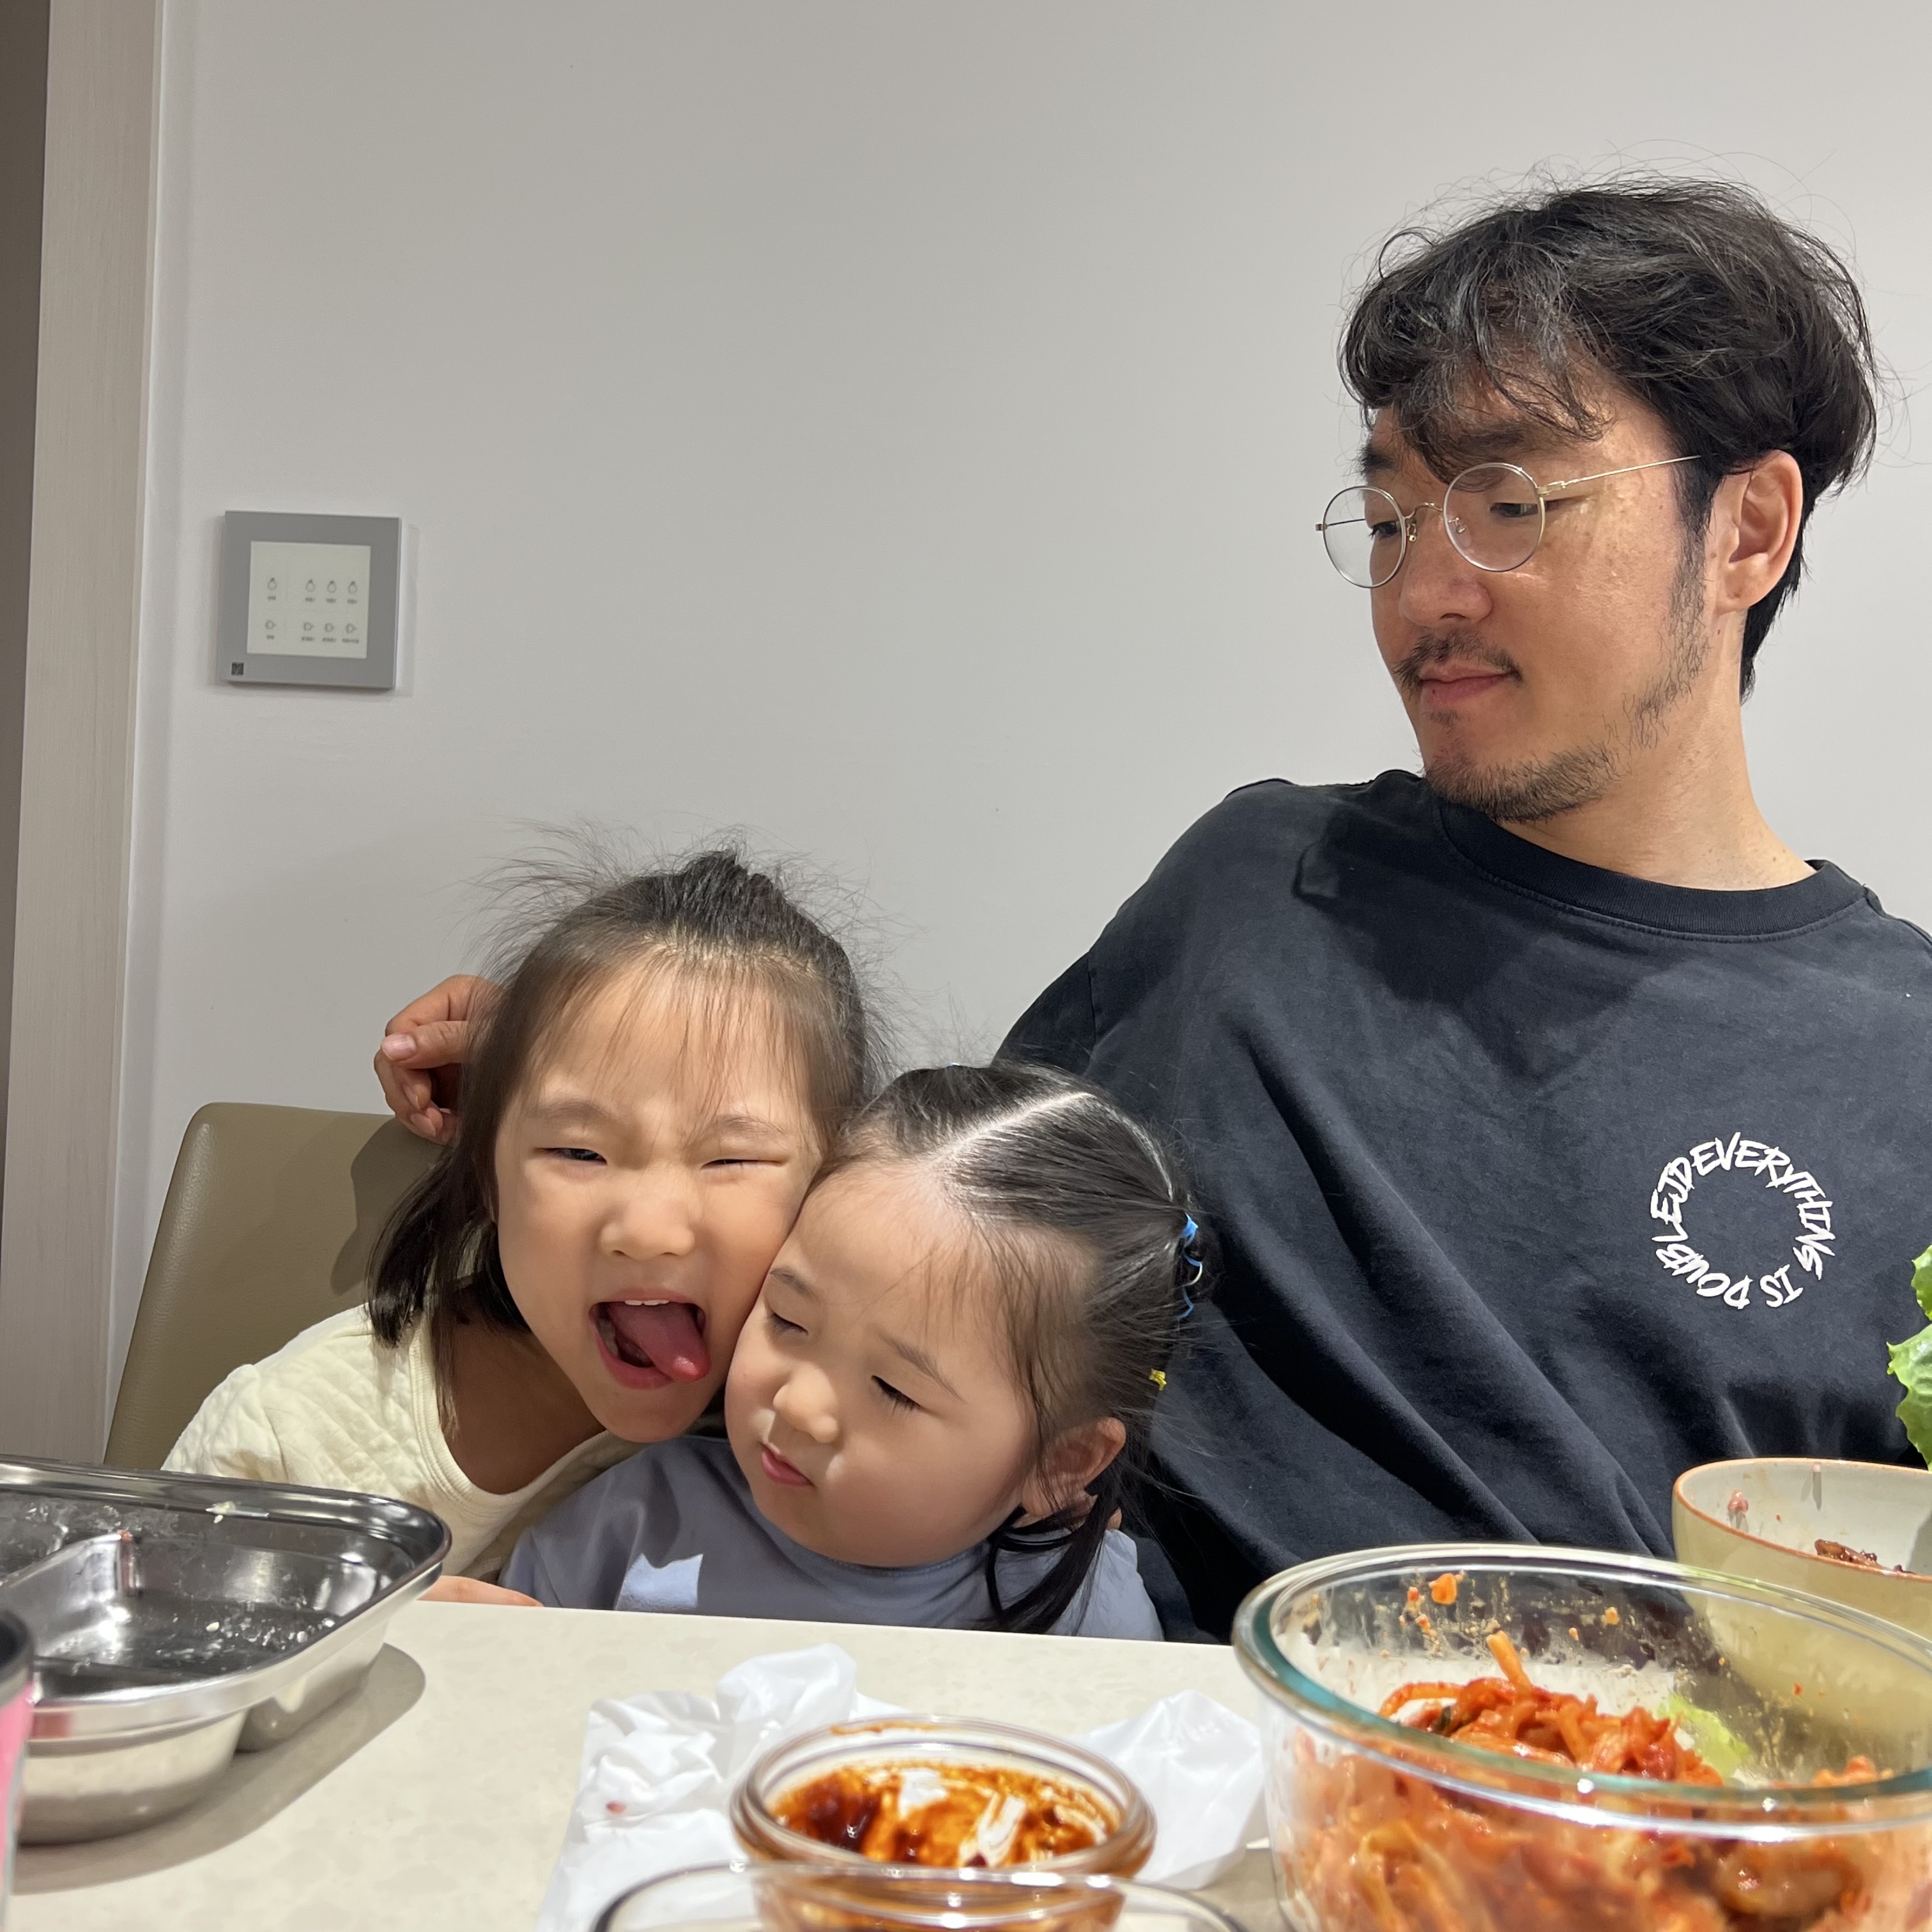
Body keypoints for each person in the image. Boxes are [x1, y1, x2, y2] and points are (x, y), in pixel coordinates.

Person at [376, 177, 1932, 1641]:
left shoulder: (1898, 1057)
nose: (1422, 597)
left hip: (1612, 1798)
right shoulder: (1256, 890)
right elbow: (934, 1227)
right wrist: (612, 1073)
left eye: (1511, 503)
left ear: (1747, 530)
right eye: (1392, 520)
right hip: (1094, 1744)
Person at [169, 849, 875, 1591]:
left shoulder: (837, 1431)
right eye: (578, 1151)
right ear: (487, 1171)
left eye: (732, 1159)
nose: (648, 1231)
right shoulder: (288, 1447)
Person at [503, 1061, 1199, 1638]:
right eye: (787, 1320)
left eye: (893, 1388)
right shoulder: (632, 1527)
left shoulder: (1086, 1619)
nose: (799, 1405)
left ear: (1060, 1461)